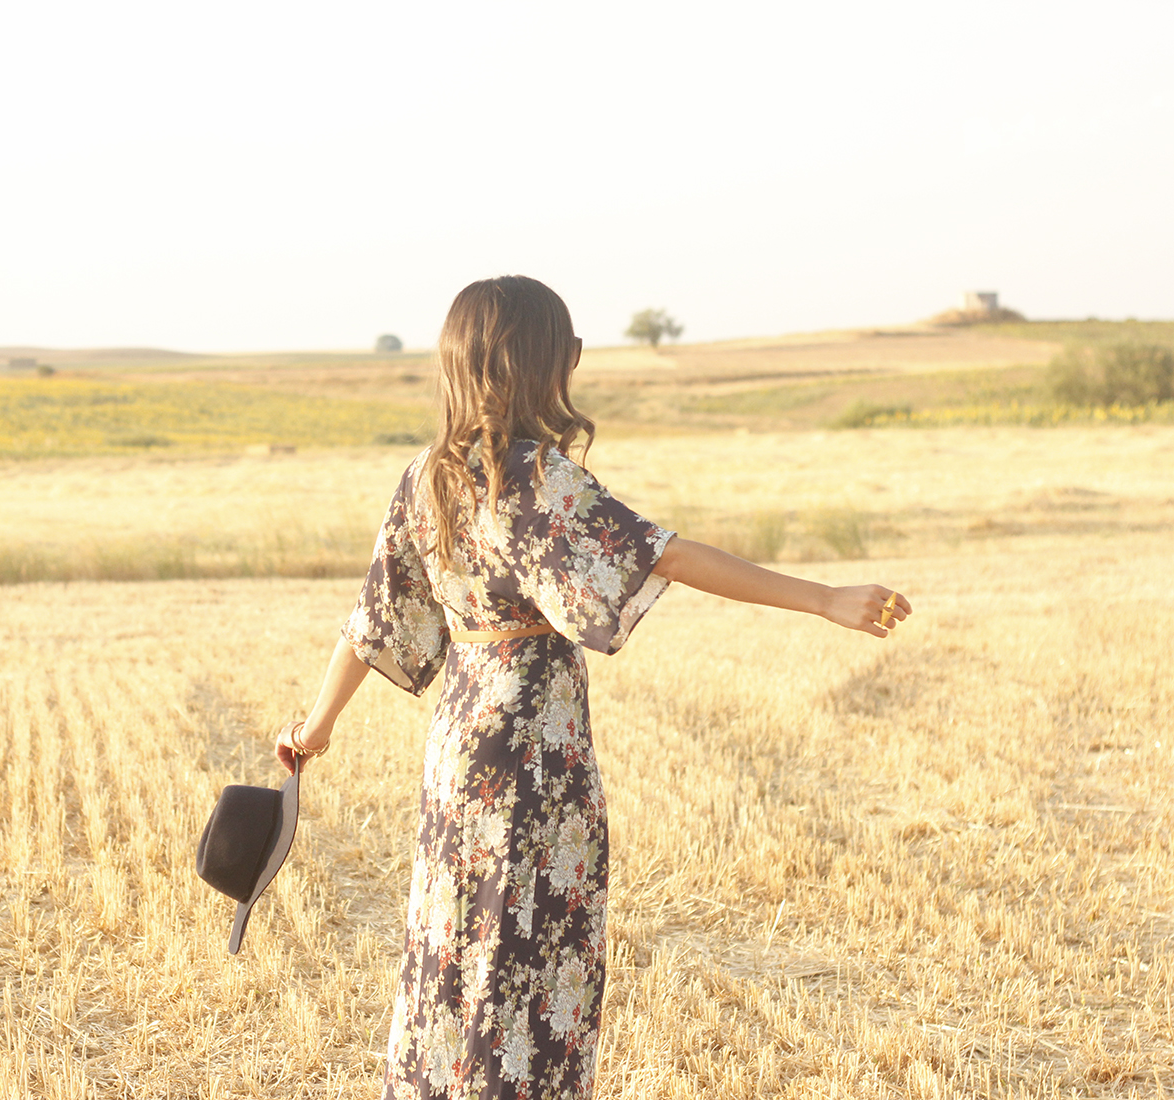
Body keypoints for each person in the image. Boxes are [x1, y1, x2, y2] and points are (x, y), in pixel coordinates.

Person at [274, 276, 911, 1099]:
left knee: (456, 951)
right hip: (531, 757)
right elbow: (667, 554)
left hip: (456, 751)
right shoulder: (537, 478)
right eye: (567, 348)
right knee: (529, 961)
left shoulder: (426, 477)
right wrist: (822, 598)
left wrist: (315, 727)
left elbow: (372, 624)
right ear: (540, 363)